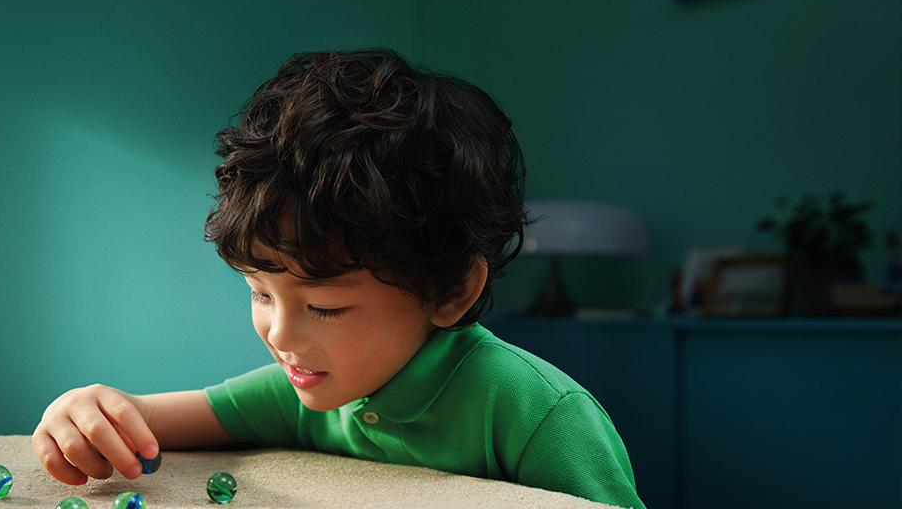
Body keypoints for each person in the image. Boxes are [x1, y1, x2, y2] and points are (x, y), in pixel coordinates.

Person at [31, 49, 644, 509]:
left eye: (324, 307)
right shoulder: (307, 390)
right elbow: (144, 418)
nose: (283, 336)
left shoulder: (538, 416)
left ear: (451, 291)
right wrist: (86, 409)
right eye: (259, 293)